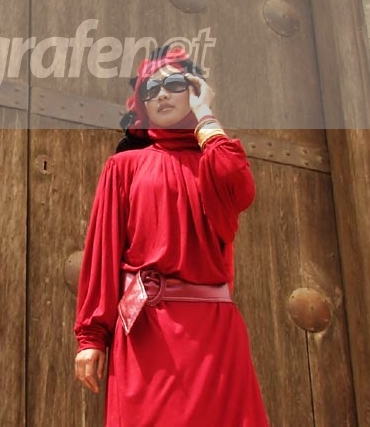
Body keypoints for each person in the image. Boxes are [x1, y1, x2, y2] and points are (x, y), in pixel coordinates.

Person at [73, 44, 269, 426]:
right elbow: (102, 252)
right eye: (151, 89)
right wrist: (91, 337)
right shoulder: (123, 167)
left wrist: (205, 115)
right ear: (142, 103)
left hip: (214, 334)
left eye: (175, 84)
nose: (161, 94)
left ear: (194, 90)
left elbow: (239, 184)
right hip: (147, 331)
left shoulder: (214, 164)